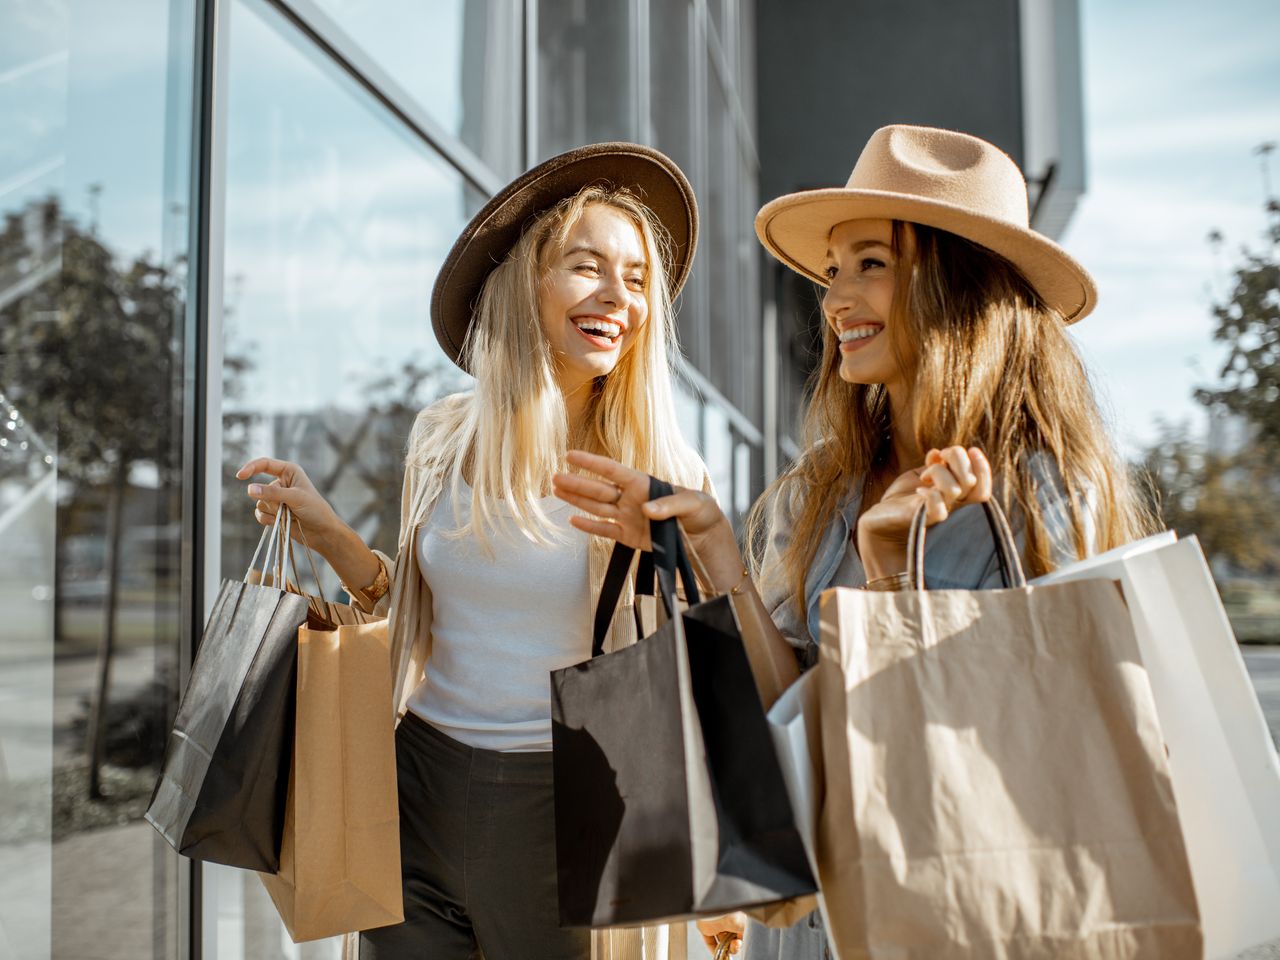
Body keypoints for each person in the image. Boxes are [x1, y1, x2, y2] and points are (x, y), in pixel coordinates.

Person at [552, 124, 1155, 958]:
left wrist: (889, 589)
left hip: (964, 914)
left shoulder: (1043, 496)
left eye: (870, 264)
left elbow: (1041, 741)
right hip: (819, 916)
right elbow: (785, 712)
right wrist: (718, 557)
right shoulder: (821, 487)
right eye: (833, 271)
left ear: (958, 284)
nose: (835, 300)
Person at [236, 142, 714, 960]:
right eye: (587, 266)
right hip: (414, 783)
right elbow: (419, 612)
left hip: (565, 810)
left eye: (637, 278)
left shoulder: (658, 471)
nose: (617, 297)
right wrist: (329, 534)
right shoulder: (442, 434)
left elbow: (694, 669)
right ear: (529, 279)